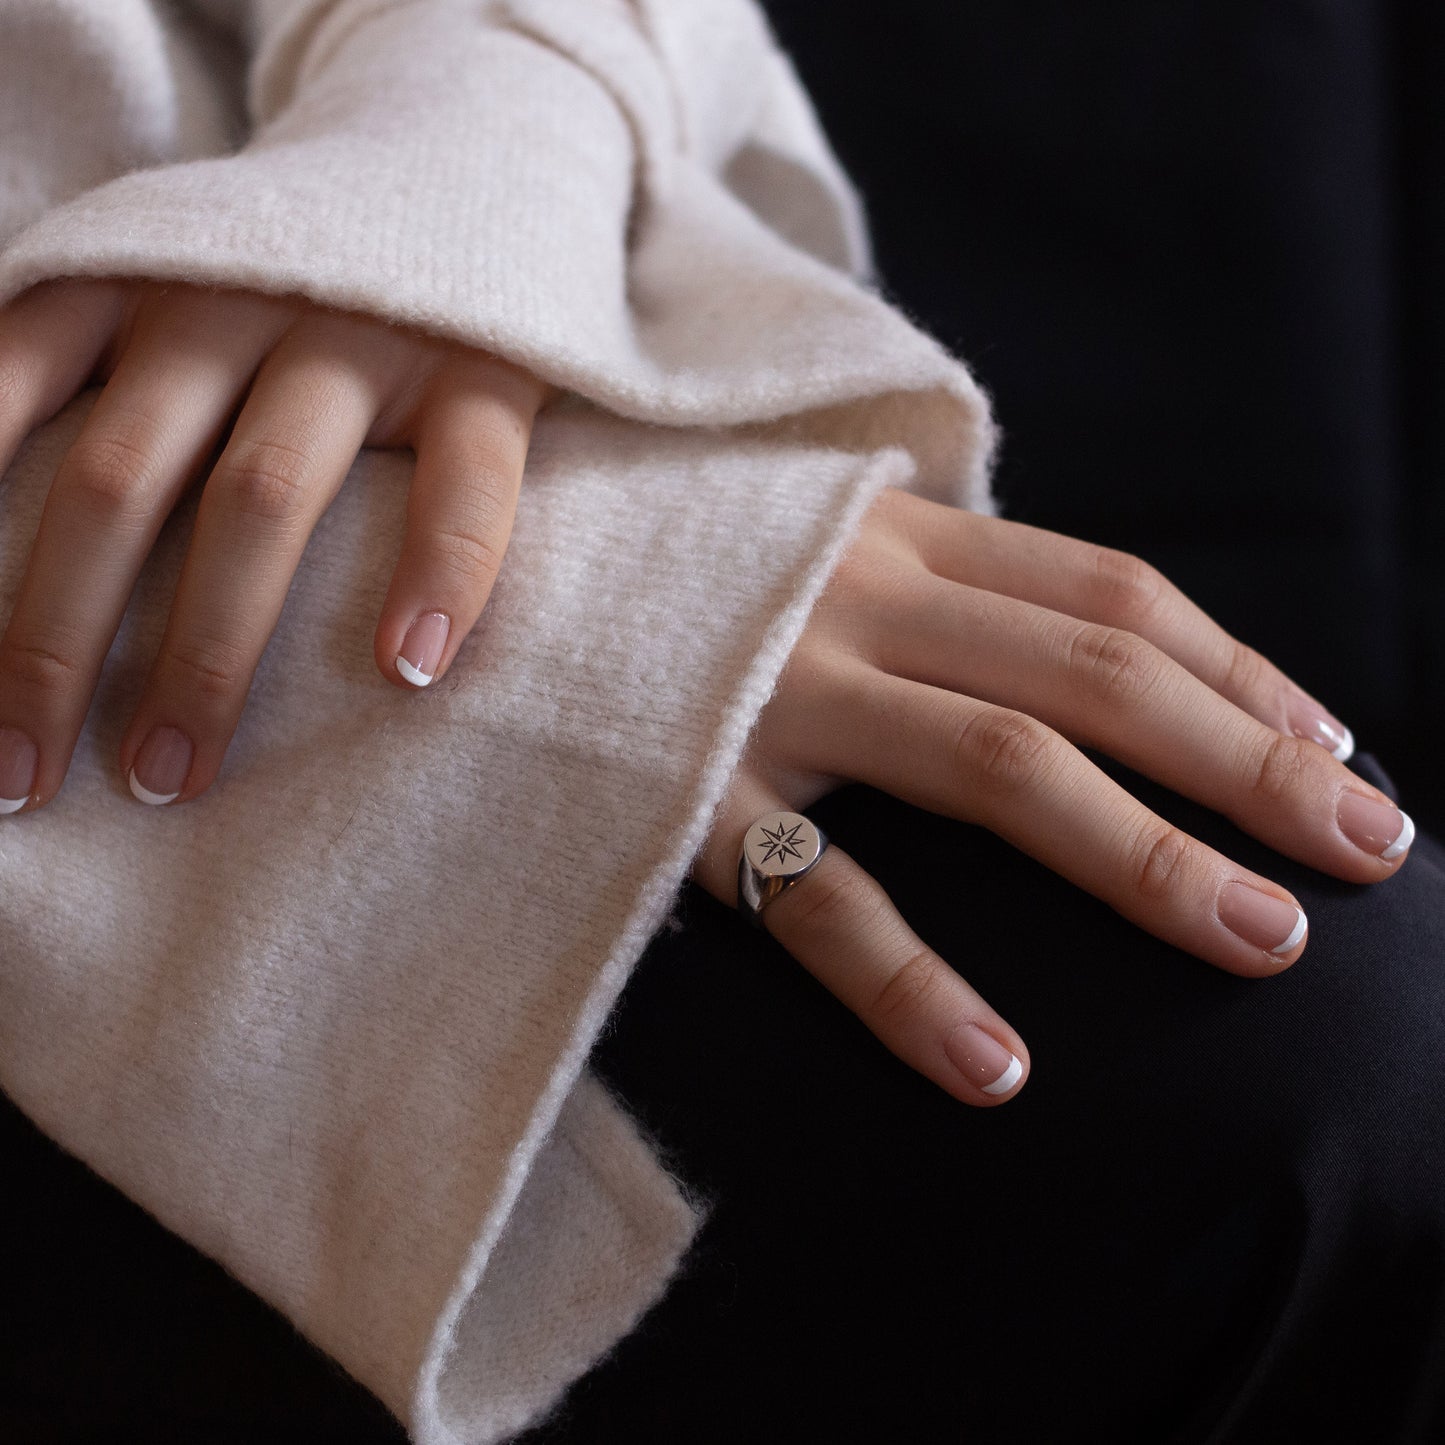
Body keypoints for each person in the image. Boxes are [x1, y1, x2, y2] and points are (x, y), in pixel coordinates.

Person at [0, 2, 1438, 1442]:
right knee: (1297, 1108)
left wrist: (480, 128)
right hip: (128, 686)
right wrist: (586, 618)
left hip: (488, 299)